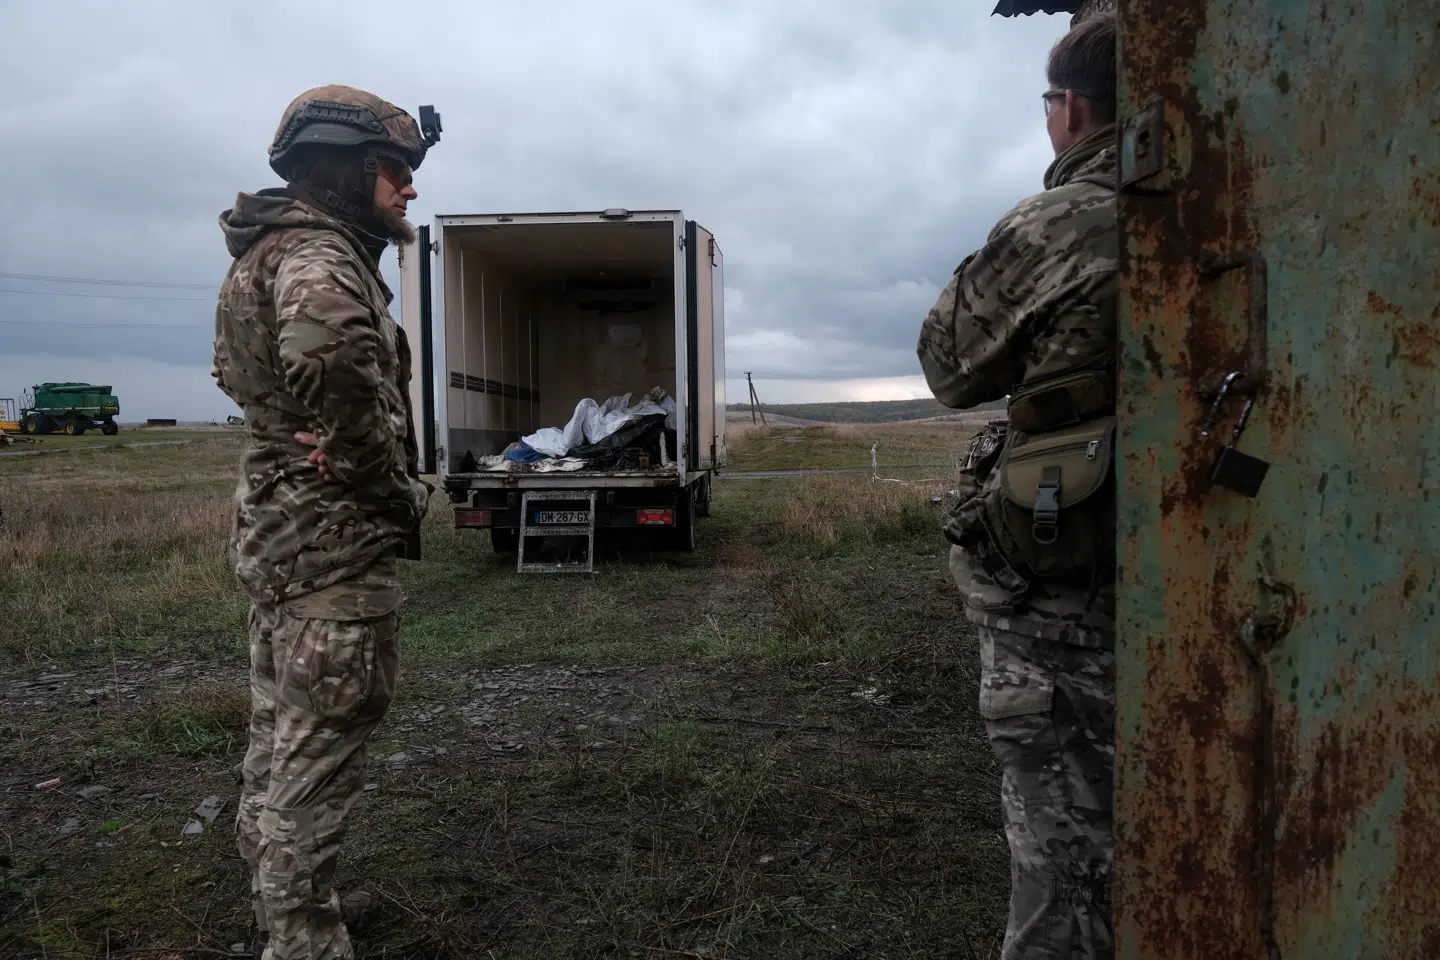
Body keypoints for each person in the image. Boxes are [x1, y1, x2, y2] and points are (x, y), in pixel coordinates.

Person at [212, 84, 440, 959]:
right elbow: (334, 360)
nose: (408, 189)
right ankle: (303, 937)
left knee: (280, 737)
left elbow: (252, 380)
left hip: (281, 544)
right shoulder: (317, 259)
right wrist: (385, 482)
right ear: (344, 169)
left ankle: (289, 907)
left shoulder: (265, 254)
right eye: (394, 170)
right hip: (330, 550)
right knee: (318, 751)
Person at [917, 15, 1119, 960]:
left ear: (1071, 108)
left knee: (1065, 863)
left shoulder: (1067, 219)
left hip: (1067, 603)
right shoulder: (1254, 202)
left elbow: (948, 364)